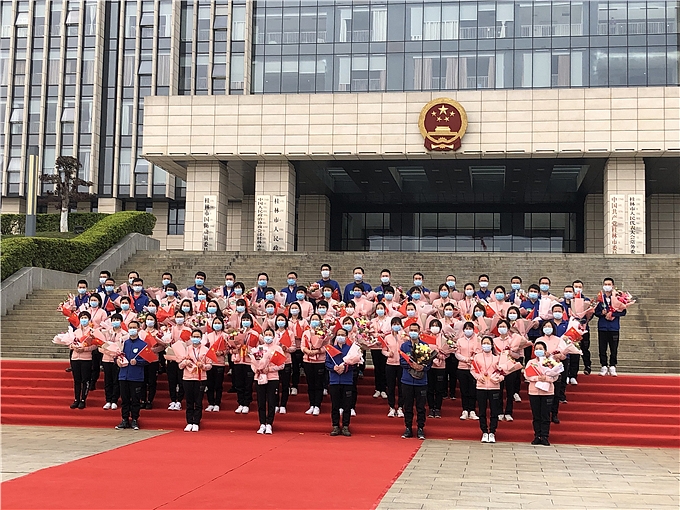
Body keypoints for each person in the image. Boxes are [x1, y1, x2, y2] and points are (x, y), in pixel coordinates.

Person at [399, 322, 431, 440]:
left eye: (415, 330)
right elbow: (402, 361)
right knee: (407, 406)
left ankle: (420, 428)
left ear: (419, 332)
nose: (413, 332)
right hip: (407, 380)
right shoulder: (404, 346)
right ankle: (408, 427)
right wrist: (412, 365)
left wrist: (422, 367)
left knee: (421, 407)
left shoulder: (425, 346)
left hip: (421, 382)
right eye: (411, 330)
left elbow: (429, 362)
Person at [525, 340, 559, 446]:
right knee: (536, 415)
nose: (538, 350)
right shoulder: (531, 362)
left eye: (541, 349)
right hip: (534, 391)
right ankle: (537, 436)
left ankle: (544, 436)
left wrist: (547, 378)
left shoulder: (550, 362)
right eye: (536, 349)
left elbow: (555, 376)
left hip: (547, 392)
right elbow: (527, 375)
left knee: (545, 415)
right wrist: (537, 378)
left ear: (545, 351)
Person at [470, 336, 504, 443]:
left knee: (494, 411)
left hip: (494, 387)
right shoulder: (477, 357)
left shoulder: (497, 358)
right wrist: (478, 377)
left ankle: (492, 432)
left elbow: (503, 372)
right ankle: (484, 431)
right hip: (481, 386)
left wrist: (499, 379)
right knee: (482, 410)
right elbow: (472, 370)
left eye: (488, 343)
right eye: (484, 343)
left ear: (492, 345)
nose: (486, 345)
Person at [116, 320, 147, 430]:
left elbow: (147, 360)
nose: (132, 329)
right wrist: (118, 361)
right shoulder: (124, 343)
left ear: (138, 329)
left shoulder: (143, 345)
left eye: (134, 327)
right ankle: (124, 419)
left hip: (136, 377)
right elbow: (118, 355)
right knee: (124, 399)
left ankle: (134, 419)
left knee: (135, 399)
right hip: (123, 375)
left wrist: (137, 362)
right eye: (130, 327)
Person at [180, 329, 213, 432]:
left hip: (200, 378)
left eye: (198, 336)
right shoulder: (186, 349)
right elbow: (180, 365)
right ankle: (189, 421)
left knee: (198, 401)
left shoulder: (206, 350)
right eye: (194, 336)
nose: (195, 338)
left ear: (201, 338)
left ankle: (196, 422)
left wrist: (203, 366)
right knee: (189, 401)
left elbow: (210, 365)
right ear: (191, 337)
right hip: (187, 377)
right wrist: (185, 362)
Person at [254, 328, 285, 434]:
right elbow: (254, 363)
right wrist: (257, 369)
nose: (268, 336)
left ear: (273, 336)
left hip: (272, 378)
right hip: (261, 377)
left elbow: (282, 365)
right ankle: (262, 423)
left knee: (271, 401)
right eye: (266, 334)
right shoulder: (259, 348)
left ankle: (269, 423)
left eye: (270, 335)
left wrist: (270, 369)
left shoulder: (277, 349)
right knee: (261, 401)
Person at [537, 319, 567, 424]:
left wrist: (559, 356)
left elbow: (564, 355)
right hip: (542, 369)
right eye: (545, 326)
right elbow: (535, 354)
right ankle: (544, 414)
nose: (547, 328)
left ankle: (554, 413)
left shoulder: (559, 340)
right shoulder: (539, 340)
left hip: (555, 369)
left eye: (549, 326)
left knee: (556, 393)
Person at [326, 328, 355, 437]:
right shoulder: (331, 349)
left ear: (346, 337)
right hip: (334, 380)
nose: (341, 336)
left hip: (347, 380)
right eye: (339, 334)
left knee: (347, 405)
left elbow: (354, 364)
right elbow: (327, 363)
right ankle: (335, 426)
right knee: (335, 405)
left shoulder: (351, 350)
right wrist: (334, 368)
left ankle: (346, 426)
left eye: (343, 335)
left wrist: (345, 368)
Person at [595, 277, 626, 377]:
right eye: (605, 284)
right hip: (602, 327)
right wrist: (601, 313)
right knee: (602, 347)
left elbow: (623, 311)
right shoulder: (600, 298)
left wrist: (613, 314)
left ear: (613, 286)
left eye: (609, 284)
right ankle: (603, 365)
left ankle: (612, 365)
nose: (607, 286)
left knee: (614, 348)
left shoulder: (618, 298)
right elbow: (595, 312)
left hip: (614, 327)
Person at [301, 313, 330, 416]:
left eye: (316, 319)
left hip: (320, 361)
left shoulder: (324, 333)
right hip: (308, 360)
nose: (314, 321)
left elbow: (327, 346)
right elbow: (302, 346)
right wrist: (308, 351)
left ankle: (317, 405)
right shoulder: (306, 332)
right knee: (310, 384)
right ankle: (312, 404)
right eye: (313, 319)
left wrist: (317, 351)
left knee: (318, 384)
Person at [68, 311, 97, 409]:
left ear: (89, 319)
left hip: (86, 358)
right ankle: (76, 399)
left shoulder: (92, 332)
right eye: (82, 318)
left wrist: (85, 349)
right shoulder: (76, 331)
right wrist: (73, 347)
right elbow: (70, 343)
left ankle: (83, 399)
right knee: (77, 380)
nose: (83, 320)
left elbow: (95, 345)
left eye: (85, 318)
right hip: (75, 358)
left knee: (85, 380)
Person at [163, 310, 190, 410]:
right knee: (172, 380)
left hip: (182, 358)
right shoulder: (171, 328)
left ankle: (179, 400)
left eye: (181, 317)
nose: (179, 319)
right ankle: (173, 400)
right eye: (177, 317)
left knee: (181, 380)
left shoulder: (187, 329)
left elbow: (189, 344)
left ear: (184, 318)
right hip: (172, 357)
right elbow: (167, 341)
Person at [101, 313, 128, 410]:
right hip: (106, 359)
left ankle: (114, 400)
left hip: (118, 360)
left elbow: (124, 348)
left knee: (116, 380)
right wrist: (110, 352)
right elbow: (101, 346)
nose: (115, 322)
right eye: (113, 320)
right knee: (108, 380)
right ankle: (108, 400)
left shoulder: (125, 334)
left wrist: (116, 354)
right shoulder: (106, 332)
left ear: (121, 322)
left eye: (117, 320)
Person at [231, 313, 256, 414]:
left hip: (249, 362)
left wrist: (251, 351)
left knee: (248, 384)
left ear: (251, 321)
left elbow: (259, 348)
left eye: (247, 320)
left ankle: (246, 403)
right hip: (238, 361)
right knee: (239, 383)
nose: (245, 322)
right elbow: (230, 347)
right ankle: (240, 403)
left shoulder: (255, 334)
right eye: (244, 320)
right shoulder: (237, 333)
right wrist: (234, 349)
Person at [456, 321, 481, 420]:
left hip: (473, 368)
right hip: (462, 368)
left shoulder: (478, 340)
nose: (468, 330)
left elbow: (479, 352)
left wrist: (472, 359)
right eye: (466, 328)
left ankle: (472, 410)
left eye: (470, 328)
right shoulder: (459, 341)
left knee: (473, 390)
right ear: (463, 330)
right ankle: (465, 410)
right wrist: (466, 359)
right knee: (464, 390)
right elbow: (457, 354)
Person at [382, 317, 405, 418]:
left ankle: (400, 407)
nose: (396, 326)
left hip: (401, 365)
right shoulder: (387, 337)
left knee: (401, 387)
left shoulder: (404, 336)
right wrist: (388, 354)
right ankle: (391, 407)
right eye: (394, 324)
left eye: (398, 324)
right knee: (390, 387)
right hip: (390, 364)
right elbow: (383, 350)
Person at [205, 317, 227, 412]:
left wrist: (222, 353)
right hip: (209, 362)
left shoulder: (225, 336)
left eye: (219, 323)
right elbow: (205, 347)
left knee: (218, 384)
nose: (217, 325)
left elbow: (228, 349)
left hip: (220, 363)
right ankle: (210, 403)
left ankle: (217, 403)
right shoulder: (208, 335)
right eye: (215, 323)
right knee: (209, 384)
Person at [572, 279, 593, 376]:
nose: (578, 288)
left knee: (585, 348)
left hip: (583, 328)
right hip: (572, 329)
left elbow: (591, 314)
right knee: (573, 349)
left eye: (579, 287)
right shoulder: (570, 300)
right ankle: (573, 371)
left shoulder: (586, 300)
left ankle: (587, 366)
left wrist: (587, 318)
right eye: (576, 287)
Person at [426, 319, 447, 418]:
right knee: (429, 388)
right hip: (429, 365)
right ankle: (431, 408)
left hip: (440, 366)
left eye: (436, 325)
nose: (435, 327)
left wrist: (440, 355)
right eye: (433, 325)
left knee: (439, 389)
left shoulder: (444, 339)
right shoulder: (426, 338)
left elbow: (448, 352)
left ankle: (438, 408)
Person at [370, 302, 390, 399]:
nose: (380, 310)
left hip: (385, 346)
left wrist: (384, 335)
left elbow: (391, 331)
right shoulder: (373, 321)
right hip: (375, 347)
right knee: (377, 368)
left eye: (381, 308)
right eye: (378, 308)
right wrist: (376, 335)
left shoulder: (389, 320)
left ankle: (384, 389)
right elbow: (370, 332)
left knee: (384, 368)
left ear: (385, 309)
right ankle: (378, 389)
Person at [273, 313, 292, 413]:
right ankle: (276, 404)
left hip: (286, 360)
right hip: (275, 362)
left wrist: (287, 348)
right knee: (275, 384)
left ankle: (283, 404)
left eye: (282, 320)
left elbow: (294, 347)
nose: (280, 322)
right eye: (279, 320)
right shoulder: (273, 333)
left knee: (285, 384)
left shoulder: (290, 333)